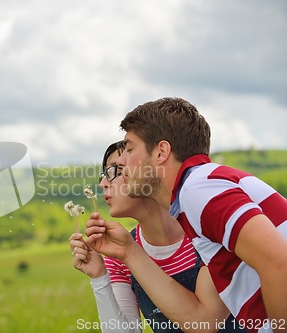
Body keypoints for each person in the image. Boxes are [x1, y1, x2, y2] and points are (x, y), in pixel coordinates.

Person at [85, 97, 287, 333]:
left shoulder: (196, 188)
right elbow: (204, 320)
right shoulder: (195, 197)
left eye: (129, 149)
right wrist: (124, 255)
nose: (121, 161)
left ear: (161, 152)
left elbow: (279, 262)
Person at [70, 141, 243, 333]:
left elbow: (204, 322)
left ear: (147, 172)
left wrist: (130, 252)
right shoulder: (119, 254)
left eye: (116, 170)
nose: (103, 184)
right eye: (104, 174)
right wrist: (99, 277)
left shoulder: (205, 232)